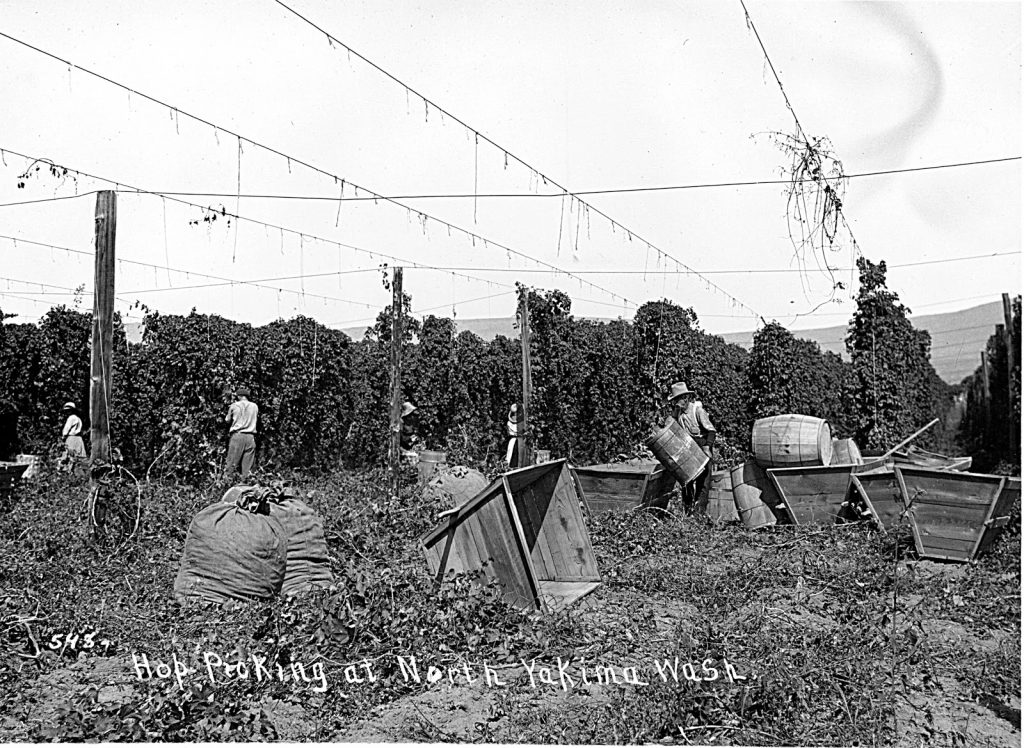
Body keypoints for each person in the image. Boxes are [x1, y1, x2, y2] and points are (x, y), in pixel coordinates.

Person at [667, 382, 717, 513]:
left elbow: (711, 431)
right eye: (675, 400)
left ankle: (699, 514)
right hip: (688, 446)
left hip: (702, 445)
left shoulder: (697, 411)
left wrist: (707, 447)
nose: (676, 403)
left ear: (686, 398)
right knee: (686, 480)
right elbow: (670, 425)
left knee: (703, 482)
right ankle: (688, 511)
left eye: (678, 399)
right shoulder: (678, 413)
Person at [224, 387, 258, 480]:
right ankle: (246, 484)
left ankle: (228, 483)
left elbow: (227, 420)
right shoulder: (254, 406)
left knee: (231, 464)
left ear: (239, 396)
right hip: (250, 437)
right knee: (248, 467)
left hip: (238, 436)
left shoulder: (234, 405)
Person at [60, 401, 86, 470]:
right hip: (78, 438)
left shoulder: (71, 418)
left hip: (71, 438)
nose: (67, 412)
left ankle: (68, 470)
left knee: (69, 456)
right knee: (78, 456)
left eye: (68, 411)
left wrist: (63, 436)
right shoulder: (78, 418)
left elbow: (66, 429)